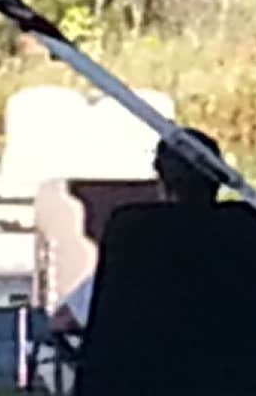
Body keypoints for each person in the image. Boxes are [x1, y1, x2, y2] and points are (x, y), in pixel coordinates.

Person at [48, 125, 228, 331]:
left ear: (162, 184)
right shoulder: (244, 242)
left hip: (147, 359)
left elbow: (64, 320)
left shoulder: (138, 245)